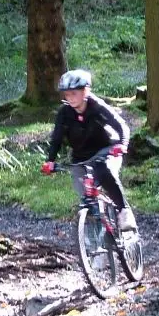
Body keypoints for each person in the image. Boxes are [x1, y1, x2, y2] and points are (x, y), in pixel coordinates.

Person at [41, 69, 137, 231]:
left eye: (74, 93)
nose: (70, 98)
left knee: (104, 171)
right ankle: (94, 244)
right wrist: (50, 161)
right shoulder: (64, 113)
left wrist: (122, 144)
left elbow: (120, 125)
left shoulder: (96, 106)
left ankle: (124, 211)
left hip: (107, 150)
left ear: (85, 91)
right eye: (67, 94)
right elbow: (56, 138)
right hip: (80, 158)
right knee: (86, 197)